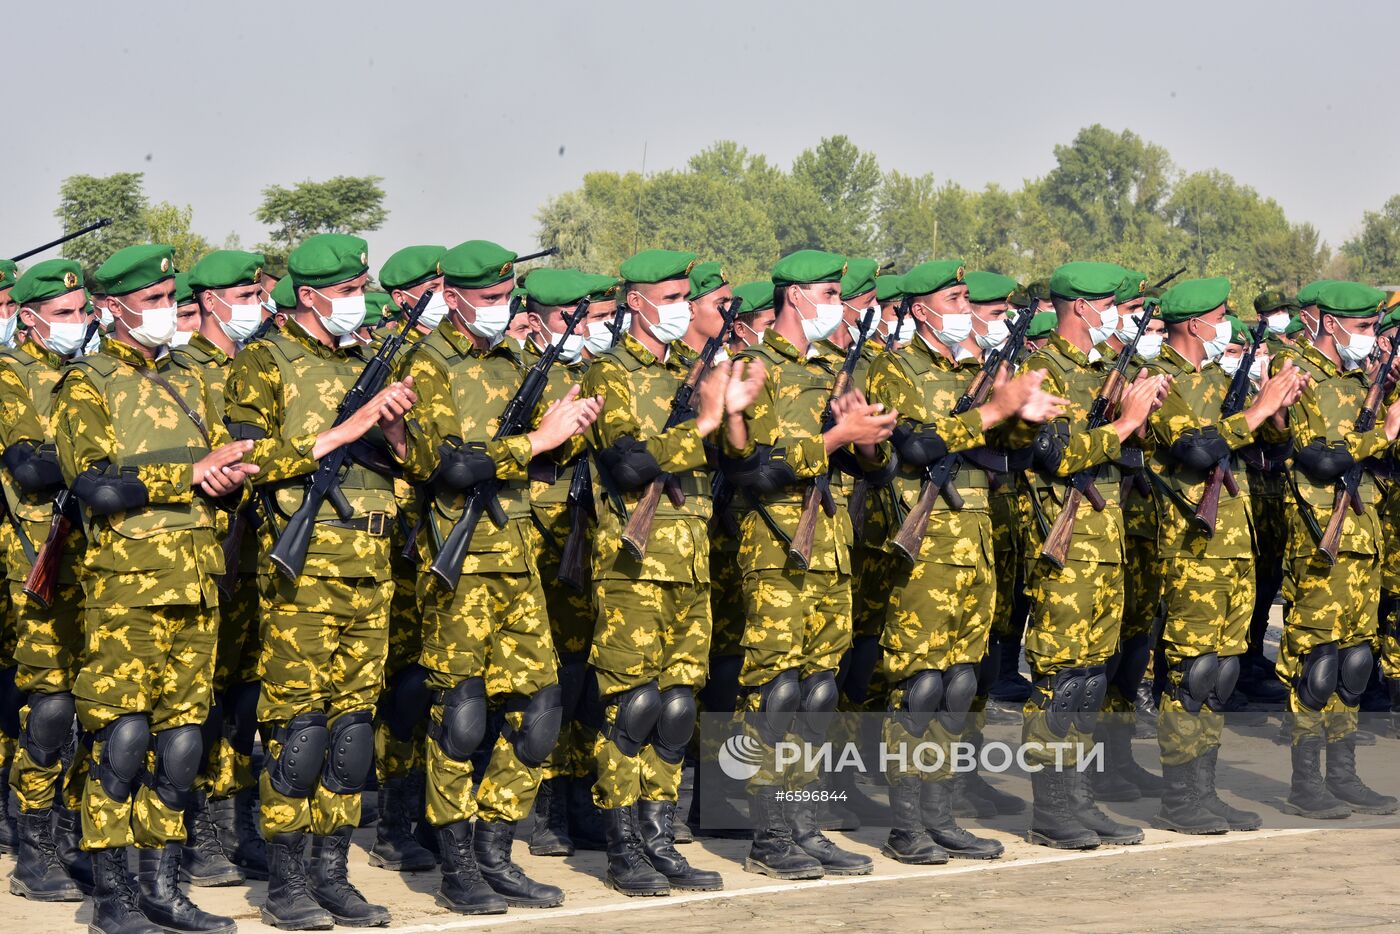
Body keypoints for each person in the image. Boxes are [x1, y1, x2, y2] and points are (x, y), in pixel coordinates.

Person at [393, 240, 601, 913]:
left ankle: (495, 851)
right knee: (461, 717)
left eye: (504, 298)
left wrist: (565, 430)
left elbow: (524, 466)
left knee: (540, 712)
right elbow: (448, 467)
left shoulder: (515, 363)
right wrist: (535, 441)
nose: (498, 310)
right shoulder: (423, 365)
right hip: (458, 563)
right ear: (451, 298)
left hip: (514, 555)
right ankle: (456, 865)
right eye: (485, 299)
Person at [55, 243, 257, 934]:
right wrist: (191, 476)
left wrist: (227, 480)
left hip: (197, 583)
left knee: (179, 748)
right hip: (126, 594)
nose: (167, 313)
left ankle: (163, 889)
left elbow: (223, 465)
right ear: (113, 309)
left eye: (172, 299)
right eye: (153, 302)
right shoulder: (88, 384)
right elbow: (96, 483)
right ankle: (113, 898)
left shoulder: (197, 380)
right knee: (120, 741)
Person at [224, 233, 417, 929]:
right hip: (302, 574)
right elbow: (245, 464)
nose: (358, 300)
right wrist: (344, 431)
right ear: (309, 296)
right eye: (347, 289)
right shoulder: (262, 363)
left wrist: (393, 433)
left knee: (350, 733)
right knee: (299, 731)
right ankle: (286, 881)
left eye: (363, 286)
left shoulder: (369, 357)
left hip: (370, 569)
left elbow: (411, 466)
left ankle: (332, 874)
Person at [866, 260, 1065, 863]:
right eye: (954, 298)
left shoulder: (978, 370)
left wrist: (1023, 419)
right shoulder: (892, 368)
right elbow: (916, 446)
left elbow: (1011, 454)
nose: (963, 308)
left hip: (974, 546)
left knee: (959, 685)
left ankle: (941, 816)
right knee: (920, 686)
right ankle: (906, 827)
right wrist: (990, 411)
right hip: (923, 550)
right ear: (922, 310)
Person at [581, 249, 757, 896]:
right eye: (671, 294)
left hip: (691, 565)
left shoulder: (695, 371)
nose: (682, 306)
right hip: (633, 566)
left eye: (688, 295)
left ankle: (661, 837)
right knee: (633, 707)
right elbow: (627, 464)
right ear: (637, 302)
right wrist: (707, 419)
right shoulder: (607, 371)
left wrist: (732, 411)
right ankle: (623, 845)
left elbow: (738, 465)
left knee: (678, 708)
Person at [722, 249, 889, 880]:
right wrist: (832, 441)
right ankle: (768, 833)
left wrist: (868, 440)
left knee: (819, 692)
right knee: (774, 690)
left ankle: (804, 823)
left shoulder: (832, 369)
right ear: (794, 296)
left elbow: (874, 467)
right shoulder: (754, 369)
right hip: (775, 546)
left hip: (832, 544)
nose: (836, 305)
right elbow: (753, 470)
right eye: (826, 292)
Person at [1008, 261, 1169, 850]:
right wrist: (1124, 422)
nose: (1121, 317)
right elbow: (1054, 456)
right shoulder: (1039, 370)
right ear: (1079, 306)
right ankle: (1051, 809)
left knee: (1092, 680)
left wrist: (1141, 418)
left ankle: (1080, 799)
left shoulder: (1104, 370)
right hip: (1063, 547)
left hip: (1105, 544)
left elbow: (1126, 460)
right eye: (1113, 305)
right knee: (1060, 679)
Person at [1143, 279, 1305, 835]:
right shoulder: (1159, 380)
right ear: (1192, 324)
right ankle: (1179, 797)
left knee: (1223, 673)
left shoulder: (1218, 380)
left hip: (1235, 544)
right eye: (1219, 316)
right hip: (1191, 547)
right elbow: (1196, 448)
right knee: (1192, 673)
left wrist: (1278, 413)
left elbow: (1271, 449)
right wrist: (1257, 411)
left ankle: (1203, 792)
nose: (1227, 326)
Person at [1269, 280, 1400, 819]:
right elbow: (1321, 459)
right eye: (1365, 328)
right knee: (1317, 662)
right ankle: (1305, 783)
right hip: (1320, 537)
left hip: (1363, 533)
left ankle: (1342, 775)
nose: (1370, 339)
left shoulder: (1355, 379)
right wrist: (1384, 435)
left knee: (1355, 660)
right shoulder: (1299, 375)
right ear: (1329, 324)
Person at [175, 249, 274, 887]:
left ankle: (238, 818)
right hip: (208, 550)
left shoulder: (262, 364)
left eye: (259, 293)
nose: (257, 305)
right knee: (201, 697)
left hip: (262, 549)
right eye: (245, 294)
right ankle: (196, 827)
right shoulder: (184, 373)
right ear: (211, 302)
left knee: (246, 696)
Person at [2, 260, 95, 902]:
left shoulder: (88, 375)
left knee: (93, 707)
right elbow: (30, 468)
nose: (78, 322)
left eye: (83, 310)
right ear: (29, 319)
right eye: (63, 314)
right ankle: (33, 847)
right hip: (39, 557)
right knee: (50, 705)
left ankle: (70, 835)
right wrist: (101, 467)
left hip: (104, 562)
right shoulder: (9, 375)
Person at [522, 269, 621, 859]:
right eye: (577, 319)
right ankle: (542, 803)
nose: (593, 328)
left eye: (601, 316)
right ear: (539, 319)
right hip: (542, 540)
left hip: (593, 539)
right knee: (546, 679)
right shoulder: (526, 376)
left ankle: (579, 795)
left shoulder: (601, 374)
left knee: (587, 675)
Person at [364, 244, 447, 875]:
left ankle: (424, 815)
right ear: (401, 297)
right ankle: (394, 821)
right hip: (386, 549)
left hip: (434, 545)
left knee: (433, 687)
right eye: (433, 286)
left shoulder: (442, 361)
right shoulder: (383, 359)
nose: (443, 295)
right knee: (399, 691)